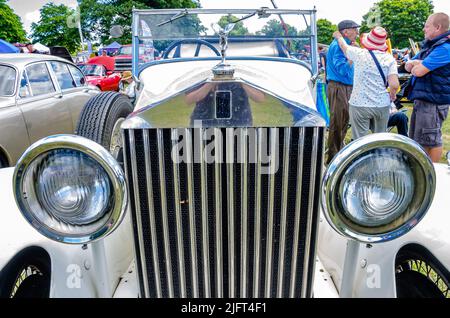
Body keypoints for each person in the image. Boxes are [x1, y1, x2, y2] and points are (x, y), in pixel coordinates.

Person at [332, 26, 399, 140]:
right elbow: (394, 84)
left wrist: (338, 36)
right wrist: (392, 94)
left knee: (359, 140)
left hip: (359, 103)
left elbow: (344, 47)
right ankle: (378, 156)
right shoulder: (389, 59)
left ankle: (362, 157)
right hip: (381, 104)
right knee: (380, 138)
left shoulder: (359, 54)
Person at [405, 12, 450, 162]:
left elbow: (417, 71)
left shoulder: (444, 48)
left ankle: (432, 173)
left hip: (433, 102)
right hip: (425, 100)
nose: (424, 29)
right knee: (419, 140)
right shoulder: (431, 46)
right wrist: (417, 64)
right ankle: (422, 171)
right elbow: (407, 66)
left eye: (426, 26)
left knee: (431, 140)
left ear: (437, 27)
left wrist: (417, 65)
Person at [325, 20, 359, 164]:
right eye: (354, 29)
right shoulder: (338, 47)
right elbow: (342, 69)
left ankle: (337, 153)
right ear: (346, 31)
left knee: (343, 121)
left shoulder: (346, 45)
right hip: (339, 87)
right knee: (337, 123)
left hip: (344, 87)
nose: (357, 32)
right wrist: (353, 56)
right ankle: (333, 159)